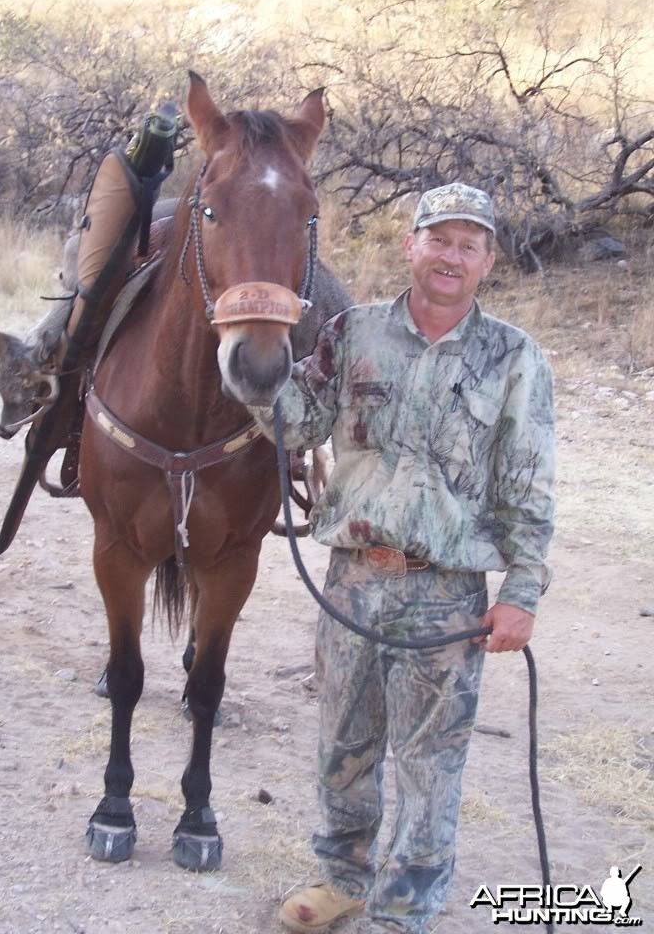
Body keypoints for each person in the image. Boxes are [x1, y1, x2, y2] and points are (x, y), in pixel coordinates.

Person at [249, 183, 556, 933]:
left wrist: (521, 591)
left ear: (488, 261)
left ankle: (403, 909)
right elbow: (295, 420)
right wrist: (250, 361)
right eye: (439, 239)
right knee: (344, 746)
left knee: (430, 763)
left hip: (447, 594)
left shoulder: (514, 358)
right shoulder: (353, 332)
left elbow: (528, 482)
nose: (452, 256)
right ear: (411, 245)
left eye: (469, 244)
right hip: (352, 583)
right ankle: (344, 877)